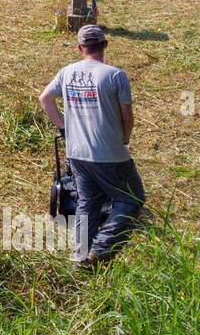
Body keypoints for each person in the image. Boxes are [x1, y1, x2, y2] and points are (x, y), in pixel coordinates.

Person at [39, 25, 143, 269]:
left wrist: (64, 128)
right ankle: (100, 248)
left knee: (88, 201)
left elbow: (45, 99)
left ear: (79, 47)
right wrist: (125, 139)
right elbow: (127, 118)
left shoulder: (66, 73)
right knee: (132, 199)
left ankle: (80, 258)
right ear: (105, 45)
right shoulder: (115, 76)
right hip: (110, 154)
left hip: (76, 152)